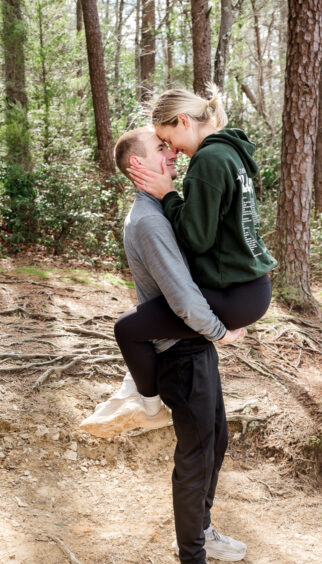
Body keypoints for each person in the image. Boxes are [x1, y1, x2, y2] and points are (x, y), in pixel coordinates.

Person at [112, 126, 249, 564]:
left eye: (170, 147)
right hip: (179, 353)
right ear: (137, 167)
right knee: (194, 456)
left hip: (194, 347)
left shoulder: (161, 210)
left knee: (217, 440)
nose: (171, 154)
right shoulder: (146, 221)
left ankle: (202, 528)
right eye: (160, 150)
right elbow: (180, 293)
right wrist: (217, 329)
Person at [116, 86, 276, 425]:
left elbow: (196, 239)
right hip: (249, 287)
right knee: (139, 326)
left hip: (235, 293)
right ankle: (141, 387)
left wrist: (169, 195)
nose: (172, 149)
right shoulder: (232, 152)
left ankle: (147, 402)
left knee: (128, 329)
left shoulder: (208, 159)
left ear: (184, 122)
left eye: (167, 138)